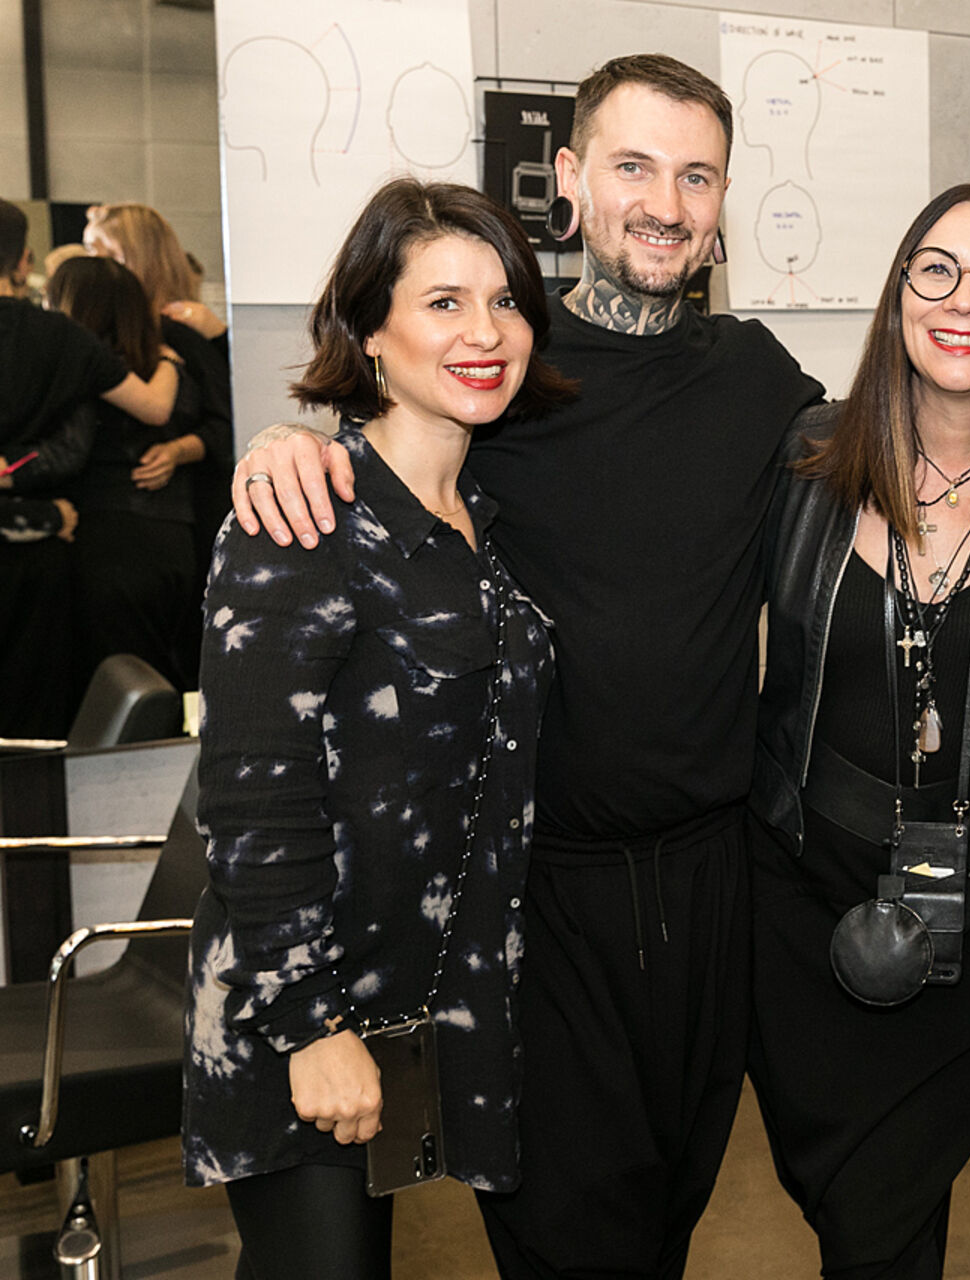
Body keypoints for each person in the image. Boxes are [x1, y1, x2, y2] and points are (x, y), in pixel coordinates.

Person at [230, 54, 824, 1279]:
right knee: (571, 1234)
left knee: (668, 1217)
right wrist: (289, 439)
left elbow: (897, 453)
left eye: (697, 175)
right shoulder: (508, 383)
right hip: (538, 895)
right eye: (633, 166)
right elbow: (381, 464)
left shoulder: (758, 378)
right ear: (570, 179)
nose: (666, 202)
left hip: (714, 887)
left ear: (723, 198)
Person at [182, 177, 569, 1279]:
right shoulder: (304, 516)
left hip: (417, 1009)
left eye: (505, 301)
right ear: (369, 333)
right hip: (300, 1017)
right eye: (444, 302)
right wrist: (310, 1026)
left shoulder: (481, 522)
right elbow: (252, 796)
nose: (485, 332)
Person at [750, 183, 970, 1278]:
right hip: (799, 907)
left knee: (885, 1214)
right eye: (936, 270)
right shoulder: (803, 462)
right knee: (862, 1222)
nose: (963, 300)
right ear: (897, 299)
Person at [0, 197, 180, 736]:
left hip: (38, 531)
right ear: (23, 261)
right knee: (32, 731)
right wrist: (169, 359)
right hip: (37, 559)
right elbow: (154, 407)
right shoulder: (63, 337)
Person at [46, 255, 206, 694]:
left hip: (107, 540)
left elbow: (68, 453)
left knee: (115, 689)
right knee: (162, 679)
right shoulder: (170, 367)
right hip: (175, 541)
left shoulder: (83, 368)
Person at [86, 201, 235, 604]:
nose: (93, 266)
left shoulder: (181, 333)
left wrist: (178, 451)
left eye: (103, 253)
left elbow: (225, 425)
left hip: (186, 520)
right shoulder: (101, 338)